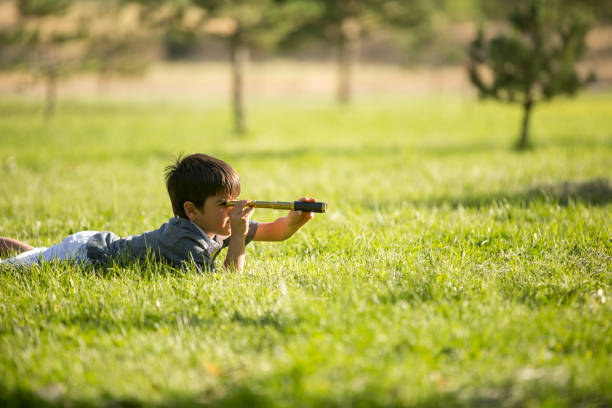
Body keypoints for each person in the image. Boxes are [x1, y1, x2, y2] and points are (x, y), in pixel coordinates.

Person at [0, 153, 317, 272]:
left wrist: (295, 221)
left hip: (90, 243)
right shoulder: (186, 241)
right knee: (18, 269)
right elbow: (229, 282)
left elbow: (275, 231)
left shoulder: (218, 222)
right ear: (191, 211)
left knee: (36, 255)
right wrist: (236, 238)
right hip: (89, 256)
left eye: (234, 200)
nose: (233, 209)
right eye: (224, 203)